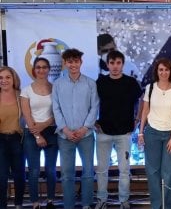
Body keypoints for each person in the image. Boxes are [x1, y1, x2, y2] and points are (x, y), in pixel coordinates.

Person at [95, 50, 143, 209]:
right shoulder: (100, 82)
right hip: (103, 133)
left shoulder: (131, 82)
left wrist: (137, 119)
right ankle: (102, 200)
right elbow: (92, 102)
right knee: (102, 170)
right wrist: (94, 122)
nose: (115, 66)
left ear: (122, 64)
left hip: (124, 133)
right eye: (112, 63)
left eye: (118, 63)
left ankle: (124, 201)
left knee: (124, 170)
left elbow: (142, 100)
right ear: (107, 64)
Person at [52, 48, 99, 209]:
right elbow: (56, 108)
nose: (73, 64)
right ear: (65, 63)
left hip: (85, 136)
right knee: (66, 175)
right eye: (70, 61)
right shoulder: (57, 84)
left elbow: (94, 107)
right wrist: (64, 129)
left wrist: (84, 128)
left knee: (88, 172)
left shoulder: (90, 83)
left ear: (81, 62)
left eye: (76, 61)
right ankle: (69, 206)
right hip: (64, 136)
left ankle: (86, 204)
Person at [138, 57, 171, 209]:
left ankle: (166, 205)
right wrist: (140, 132)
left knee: (169, 173)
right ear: (157, 71)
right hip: (152, 134)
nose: (164, 72)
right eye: (161, 69)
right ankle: (156, 206)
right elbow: (145, 110)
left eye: (166, 69)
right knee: (153, 172)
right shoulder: (150, 88)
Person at [21, 57, 58, 209]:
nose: (41, 70)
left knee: (51, 169)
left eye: (44, 67)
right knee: (34, 170)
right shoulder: (26, 90)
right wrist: (37, 134)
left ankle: (50, 201)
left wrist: (43, 125)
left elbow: (58, 112)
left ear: (49, 69)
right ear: (34, 70)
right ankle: (35, 203)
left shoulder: (56, 89)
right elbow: (26, 114)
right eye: (38, 67)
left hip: (51, 131)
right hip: (32, 131)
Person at [0, 66, 25, 209]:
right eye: (1, 78)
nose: (4, 80)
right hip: (1, 140)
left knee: (19, 176)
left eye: (7, 77)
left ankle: (18, 205)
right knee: (1, 177)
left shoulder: (21, 95)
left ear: (13, 79)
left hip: (17, 139)